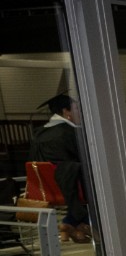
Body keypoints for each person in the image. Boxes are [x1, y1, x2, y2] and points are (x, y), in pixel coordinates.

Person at [29, 92, 90, 243]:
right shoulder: (70, 133)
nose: (80, 114)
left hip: (50, 189)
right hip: (74, 187)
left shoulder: (38, 134)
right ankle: (75, 223)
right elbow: (88, 157)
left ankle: (75, 226)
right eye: (76, 109)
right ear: (65, 112)